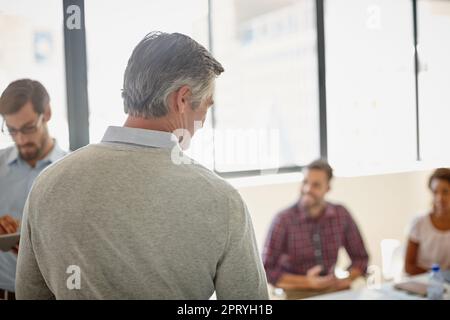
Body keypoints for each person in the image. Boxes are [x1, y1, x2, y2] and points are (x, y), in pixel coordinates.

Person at [15, 31, 269, 300]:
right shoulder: (223, 201)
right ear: (181, 99)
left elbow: (30, 293)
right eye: (206, 106)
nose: (203, 122)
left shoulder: (48, 183)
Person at [263, 159, 369, 298]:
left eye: (316, 185)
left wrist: (347, 278)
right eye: (305, 182)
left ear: (328, 188)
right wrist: (307, 282)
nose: (308, 189)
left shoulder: (341, 214)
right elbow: (266, 269)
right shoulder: (283, 220)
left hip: (332, 287)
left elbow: (360, 258)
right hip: (295, 291)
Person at [0, 79, 67, 300]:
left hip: (52, 293)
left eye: (28, 128)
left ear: (46, 113)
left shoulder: (71, 170)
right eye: (12, 130)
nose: (21, 139)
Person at [405, 168, 450, 275]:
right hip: (420, 281)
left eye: (445, 192)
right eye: (435, 192)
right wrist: (437, 275)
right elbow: (409, 266)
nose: (440, 198)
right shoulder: (419, 222)